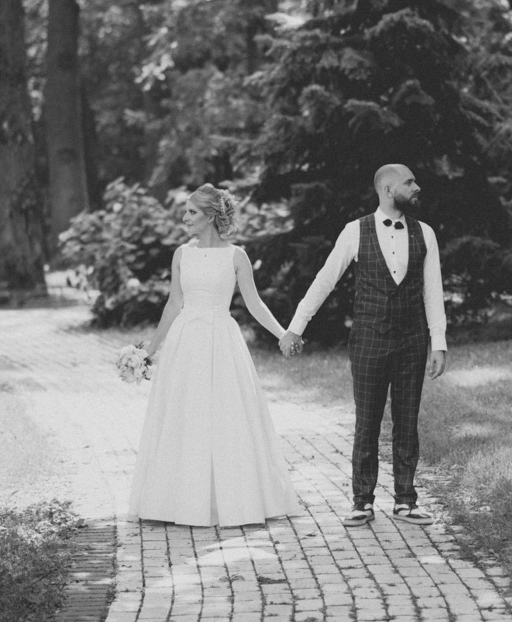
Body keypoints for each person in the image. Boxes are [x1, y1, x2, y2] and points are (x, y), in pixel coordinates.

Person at [279, 163, 447, 527]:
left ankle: (406, 500)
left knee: (407, 421)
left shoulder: (426, 233)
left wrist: (439, 342)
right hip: (369, 338)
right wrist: (295, 328)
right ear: (387, 190)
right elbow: (325, 280)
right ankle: (362, 501)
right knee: (367, 421)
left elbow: (433, 290)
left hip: (413, 339)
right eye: (409, 182)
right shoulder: (355, 231)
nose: (416, 187)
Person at [129, 184, 300, 527]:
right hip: (186, 342)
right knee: (184, 415)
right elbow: (174, 303)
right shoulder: (181, 254)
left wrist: (283, 333)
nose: (185, 217)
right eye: (186, 211)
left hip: (222, 341)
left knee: (226, 415)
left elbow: (254, 303)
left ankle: (234, 500)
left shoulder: (236, 256)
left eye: (191, 212)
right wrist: (150, 349)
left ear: (210, 217)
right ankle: (177, 501)